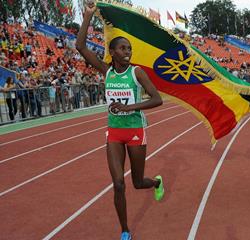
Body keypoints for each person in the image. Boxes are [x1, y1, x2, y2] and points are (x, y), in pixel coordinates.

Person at [76, 3, 164, 240]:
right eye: (123, 48)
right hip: (114, 133)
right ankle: (125, 230)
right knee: (118, 184)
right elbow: (80, 46)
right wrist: (87, 17)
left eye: (129, 49)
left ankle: (155, 183)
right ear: (112, 52)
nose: (128, 52)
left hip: (136, 131)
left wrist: (129, 107)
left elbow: (157, 99)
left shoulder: (137, 73)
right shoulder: (106, 72)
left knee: (136, 182)